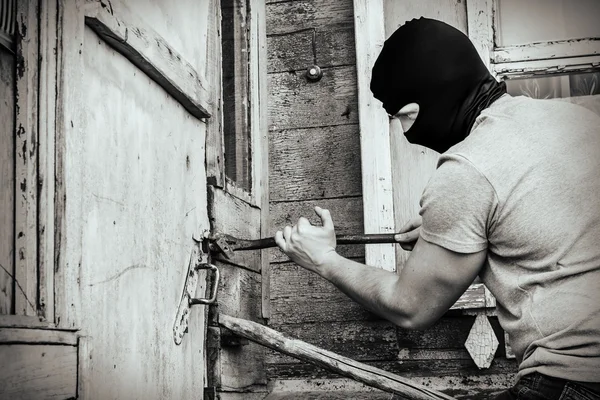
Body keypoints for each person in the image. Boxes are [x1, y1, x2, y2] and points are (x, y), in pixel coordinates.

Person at [274, 17, 600, 399]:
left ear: (414, 110)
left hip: (573, 381)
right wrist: (462, 239)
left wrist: (323, 259)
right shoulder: (578, 120)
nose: (404, 130)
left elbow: (410, 307)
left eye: (398, 117)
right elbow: (550, 243)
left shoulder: (468, 168)